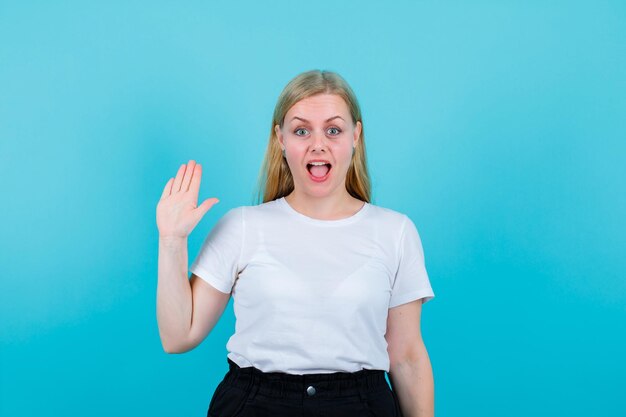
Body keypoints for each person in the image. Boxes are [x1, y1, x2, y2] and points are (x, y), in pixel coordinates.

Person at [156, 69, 435, 417]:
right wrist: (171, 240)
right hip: (256, 403)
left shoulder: (396, 232)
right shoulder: (242, 226)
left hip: (361, 405)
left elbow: (407, 357)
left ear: (355, 137)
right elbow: (178, 336)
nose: (318, 144)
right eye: (301, 130)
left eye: (333, 130)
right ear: (281, 140)